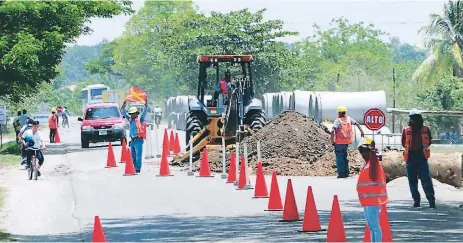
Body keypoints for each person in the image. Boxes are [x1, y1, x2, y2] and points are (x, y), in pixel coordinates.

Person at [401, 109, 436, 208]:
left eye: (415, 118)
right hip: (410, 157)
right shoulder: (406, 130)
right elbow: (403, 142)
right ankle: (416, 200)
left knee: (426, 179)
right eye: (412, 118)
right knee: (412, 181)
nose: (414, 120)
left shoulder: (425, 129)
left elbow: (429, 141)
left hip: (422, 157)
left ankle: (431, 201)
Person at [357, 137, 388, 242]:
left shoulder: (373, 163)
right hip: (367, 201)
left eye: (364, 151)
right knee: (371, 227)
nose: (362, 154)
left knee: (374, 227)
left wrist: (373, 152)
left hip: (373, 200)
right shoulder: (368, 163)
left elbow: (374, 177)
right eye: (361, 151)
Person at [331, 106, 365, 178]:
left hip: (339, 142)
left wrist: (332, 140)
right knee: (345, 157)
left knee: (340, 159)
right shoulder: (349, 119)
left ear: (339, 113)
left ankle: (341, 174)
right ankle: (346, 173)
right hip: (346, 141)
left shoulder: (338, 120)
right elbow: (357, 124)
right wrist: (362, 132)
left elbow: (332, 130)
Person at [121, 99, 148, 173]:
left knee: (138, 156)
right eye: (131, 113)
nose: (132, 115)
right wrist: (123, 106)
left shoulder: (140, 120)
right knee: (133, 156)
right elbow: (124, 113)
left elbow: (144, 113)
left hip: (138, 140)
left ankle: (138, 169)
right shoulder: (130, 120)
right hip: (132, 140)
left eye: (134, 113)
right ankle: (134, 167)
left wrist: (145, 105)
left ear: (136, 113)